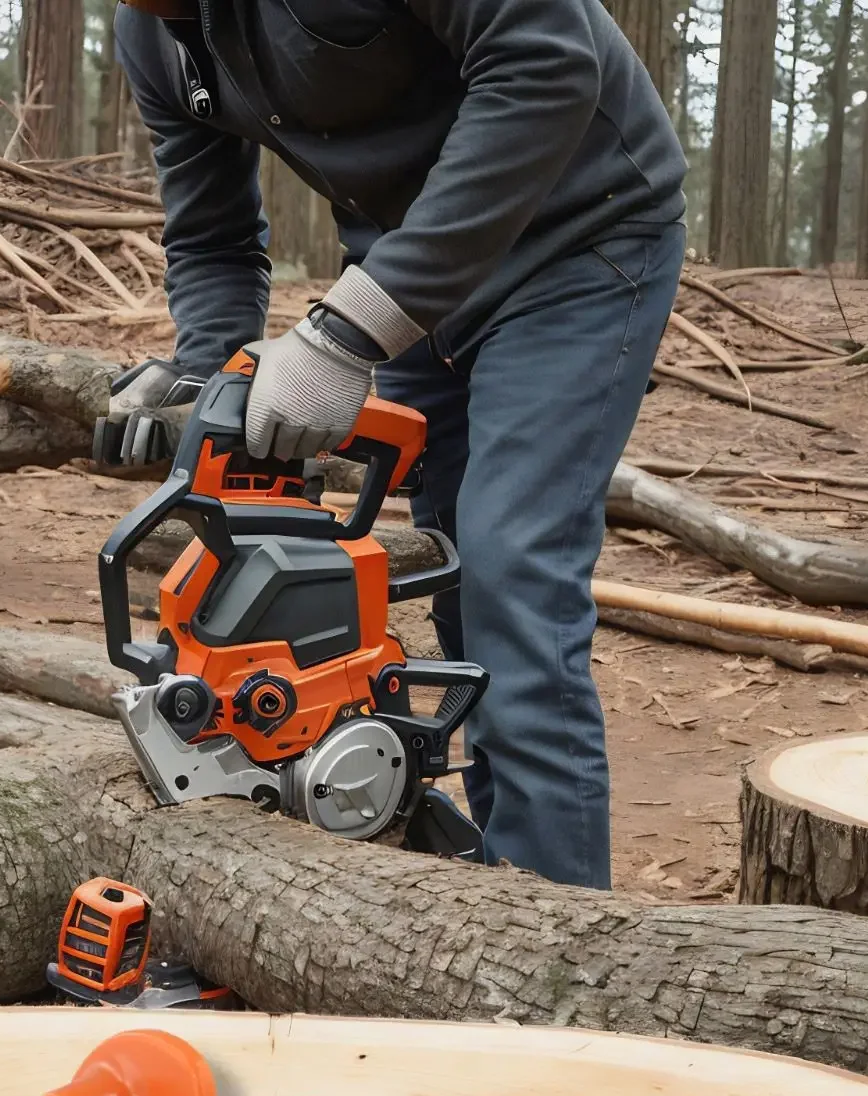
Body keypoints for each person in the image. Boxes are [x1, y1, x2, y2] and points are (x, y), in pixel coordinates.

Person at [98, 0, 687, 890]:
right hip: (417, 277)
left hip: (579, 240)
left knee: (511, 570)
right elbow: (212, 234)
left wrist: (347, 335)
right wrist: (200, 371)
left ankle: (559, 942)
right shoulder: (156, 38)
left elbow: (548, 63)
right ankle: (486, 883)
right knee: (454, 577)